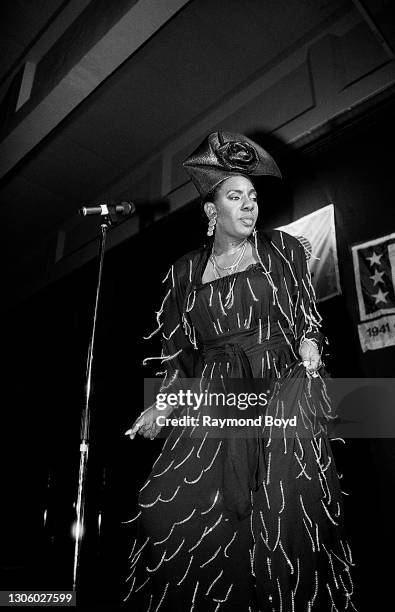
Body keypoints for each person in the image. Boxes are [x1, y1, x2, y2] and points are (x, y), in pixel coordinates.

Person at [123, 132, 358, 611]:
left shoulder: (284, 252)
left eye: (253, 196)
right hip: (216, 401)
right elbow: (178, 358)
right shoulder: (183, 274)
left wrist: (311, 347)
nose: (249, 206)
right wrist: (163, 407)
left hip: (279, 390)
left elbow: (309, 319)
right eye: (236, 197)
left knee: (285, 525)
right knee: (178, 521)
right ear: (212, 210)